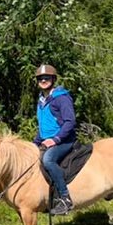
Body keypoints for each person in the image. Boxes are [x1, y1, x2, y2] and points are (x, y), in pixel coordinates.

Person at [32, 64, 77, 215]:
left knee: (48, 160)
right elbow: (44, 128)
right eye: (40, 78)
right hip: (47, 141)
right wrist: (34, 143)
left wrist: (56, 139)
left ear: (53, 79)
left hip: (64, 141)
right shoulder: (42, 101)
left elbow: (70, 122)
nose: (43, 80)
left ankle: (65, 198)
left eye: (47, 77)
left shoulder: (61, 98)